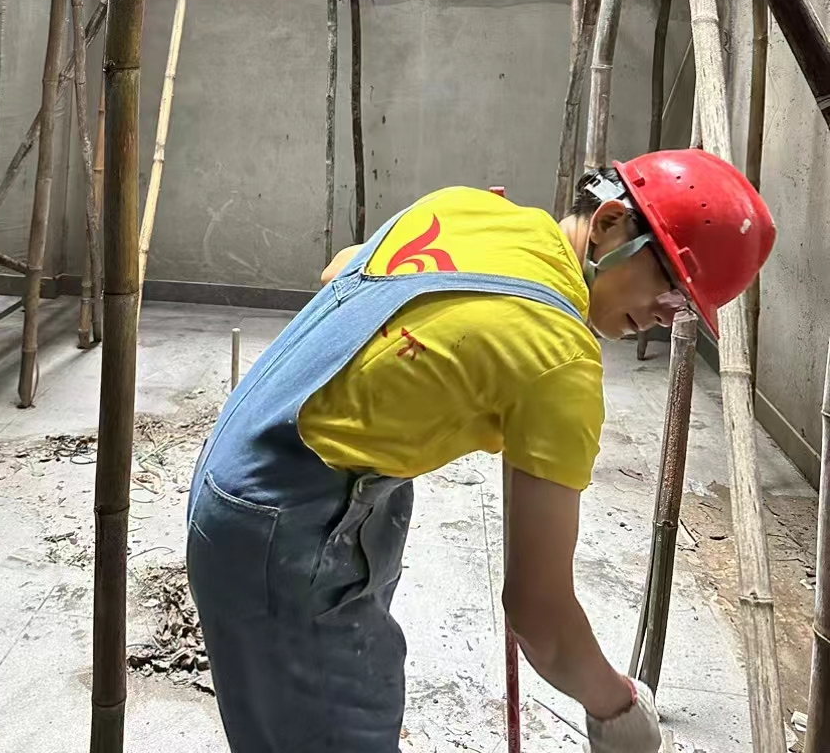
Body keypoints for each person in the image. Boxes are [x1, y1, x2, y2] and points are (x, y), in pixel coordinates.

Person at [186, 148, 775, 753]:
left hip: (239, 452)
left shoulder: (466, 209)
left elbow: (338, 271)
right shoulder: (560, 360)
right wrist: (617, 709)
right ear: (608, 223)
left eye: (683, 308)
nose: (663, 316)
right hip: (280, 530)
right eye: (670, 285)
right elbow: (539, 614)